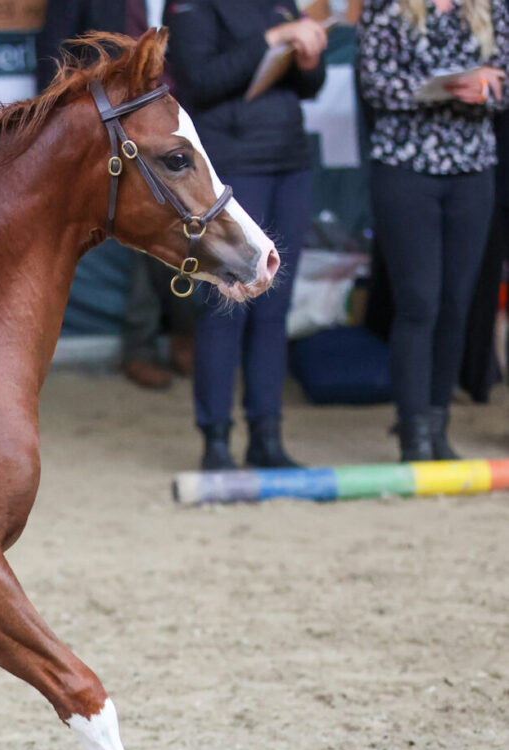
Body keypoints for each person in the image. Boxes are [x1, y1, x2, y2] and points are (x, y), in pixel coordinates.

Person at [166, 0, 328, 470]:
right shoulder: (191, 7)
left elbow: (308, 88)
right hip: (232, 169)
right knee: (225, 305)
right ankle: (216, 439)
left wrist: (308, 58)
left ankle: (266, 435)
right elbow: (200, 81)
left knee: (274, 309)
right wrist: (274, 40)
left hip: (289, 162)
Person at [359, 0, 508, 460]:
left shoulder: (491, 8)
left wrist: (487, 88)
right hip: (406, 169)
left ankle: (439, 424)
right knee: (418, 303)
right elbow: (375, 87)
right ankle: (412, 429)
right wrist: (443, 88)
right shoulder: (385, 8)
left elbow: (502, 84)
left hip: (473, 169)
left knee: (455, 304)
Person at [37, 0, 199, 390]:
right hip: (115, 122)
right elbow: (55, 50)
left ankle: (182, 334)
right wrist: (53, 119)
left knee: (195, 220)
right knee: (146, 221)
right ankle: (150, 344)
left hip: (189, 116)